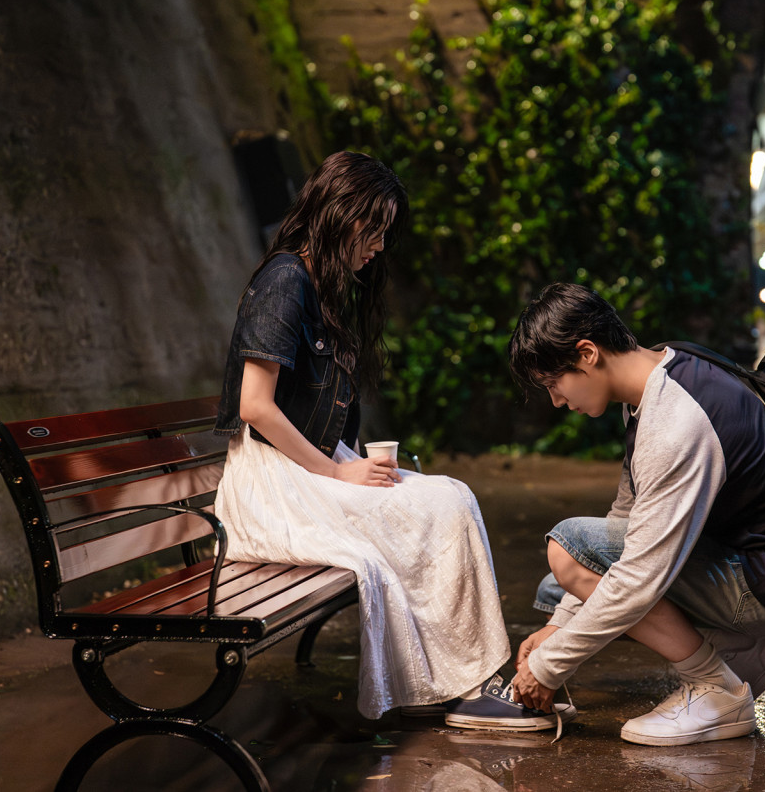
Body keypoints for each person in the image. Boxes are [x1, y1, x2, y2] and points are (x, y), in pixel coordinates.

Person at [211, 150, 574, 730]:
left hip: (306, 469)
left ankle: (469, 678)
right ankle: (463, 688)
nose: (380, 245)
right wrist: (337, 472)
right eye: (374, 227)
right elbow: (255, 407)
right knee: (440, 506)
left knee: (448, 496)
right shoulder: (285, 280)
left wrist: (349, 462)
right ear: (341, 214)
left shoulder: (321, 286)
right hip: (273, 485)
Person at [505, 282, 765, 746]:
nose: (556, 400)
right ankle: (746, 653)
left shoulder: (675, 422)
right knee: (562, 585)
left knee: (567, 551)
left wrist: (548, 666)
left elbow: (638, 576)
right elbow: (624, 521)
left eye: (554, 384)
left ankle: (716, 689)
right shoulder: (665, 375)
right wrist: (558, 629)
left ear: (587, 354)